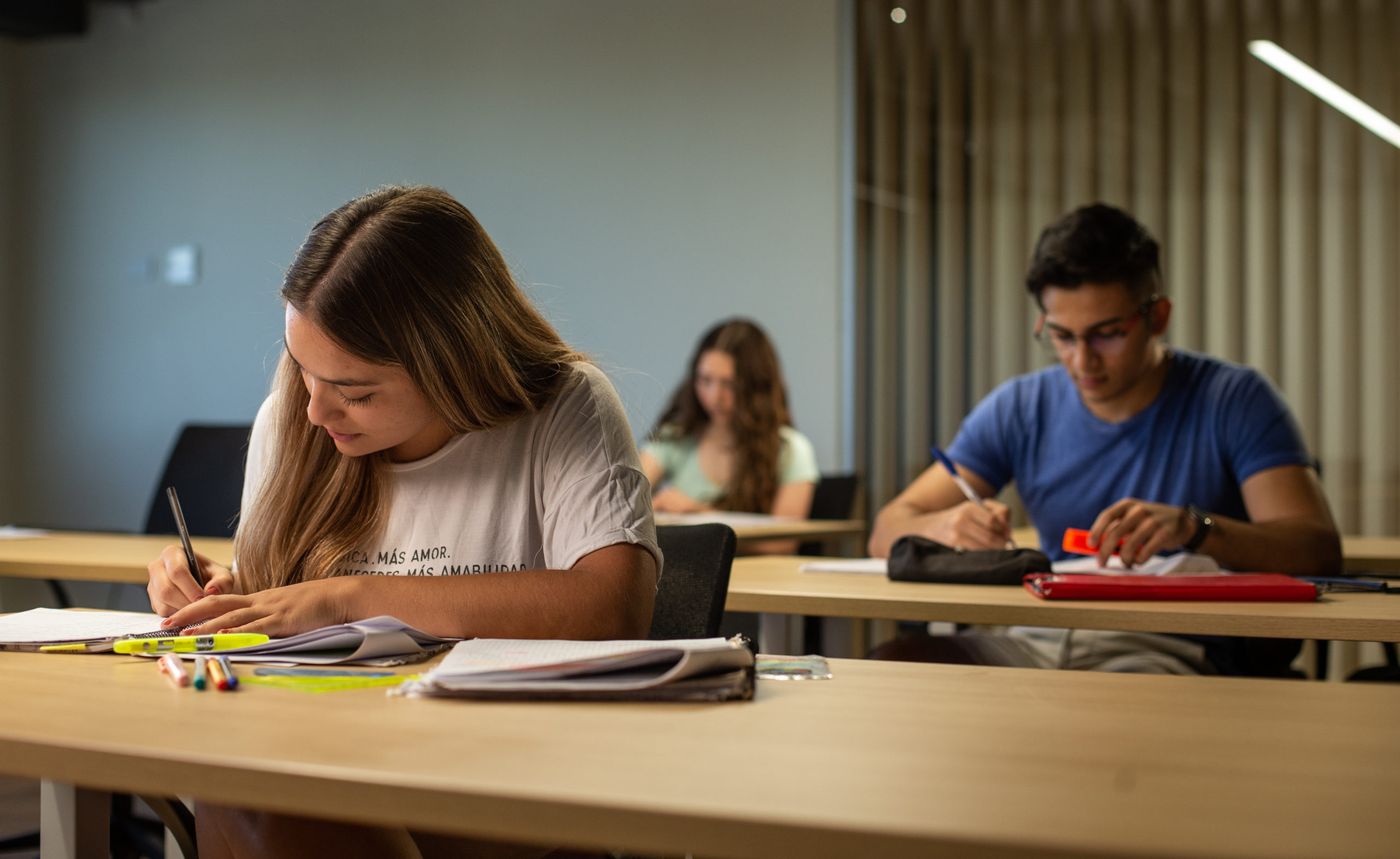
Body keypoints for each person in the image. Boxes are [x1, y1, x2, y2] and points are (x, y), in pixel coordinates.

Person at [146, 185, 659, 858]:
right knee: (247, 780)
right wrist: (232, 591)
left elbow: (612, 606)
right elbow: (289, 614)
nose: (315, 411)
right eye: (303, 372)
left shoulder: (566, 406)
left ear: (453, 363)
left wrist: (350, 598)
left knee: (265, 792)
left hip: (511, 774)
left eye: (354, 392)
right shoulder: (292, 421)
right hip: (327, 746)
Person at [867, 202, 1341, 675]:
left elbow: (1316, 550)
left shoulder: (1233, 400)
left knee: (1107, 707)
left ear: (1158, 317)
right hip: (1040, 638)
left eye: (1107, 335)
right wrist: (945, 527)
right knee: (889, 672)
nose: (1082, 361)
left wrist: (1194, 528)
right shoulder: (1021, 407)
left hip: (1169, 647)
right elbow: (887, 528)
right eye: (1062, 336)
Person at [641, 318, 819, 547]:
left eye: (730, 384)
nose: (715, 397)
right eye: (705, 380)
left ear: (757, 388)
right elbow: (627, 496)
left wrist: (701, 514)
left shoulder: (792, 449)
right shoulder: (675, 437)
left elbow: (782, 544)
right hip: (688, 567)